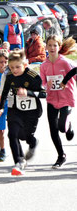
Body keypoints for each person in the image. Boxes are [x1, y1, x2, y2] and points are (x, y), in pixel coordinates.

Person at [0, 49, 46, 176]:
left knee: (25, 136)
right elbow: (4, 93)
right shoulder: (9, 76)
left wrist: (28, 93)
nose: (14, 70)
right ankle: (18, 162)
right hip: (16, 109)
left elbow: (44, 94)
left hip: (32, 111)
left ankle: (33, 142)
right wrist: (1, 108)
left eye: (18, 67)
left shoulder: (33, 77)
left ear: (25, 65)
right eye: (11, 67)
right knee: (12, 134)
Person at [40, 36, 76, 168]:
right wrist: (46, 85)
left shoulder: (65, 62)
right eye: (49, 45)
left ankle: (68, 126)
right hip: (51, 100)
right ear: (46, 47)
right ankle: (61, 155)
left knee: (62, 127)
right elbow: (42, 83)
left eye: (55, 45)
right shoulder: (44, 66)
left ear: (59, 47)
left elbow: (75, 74)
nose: (52, 48)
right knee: (53, 130)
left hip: (66, 98)